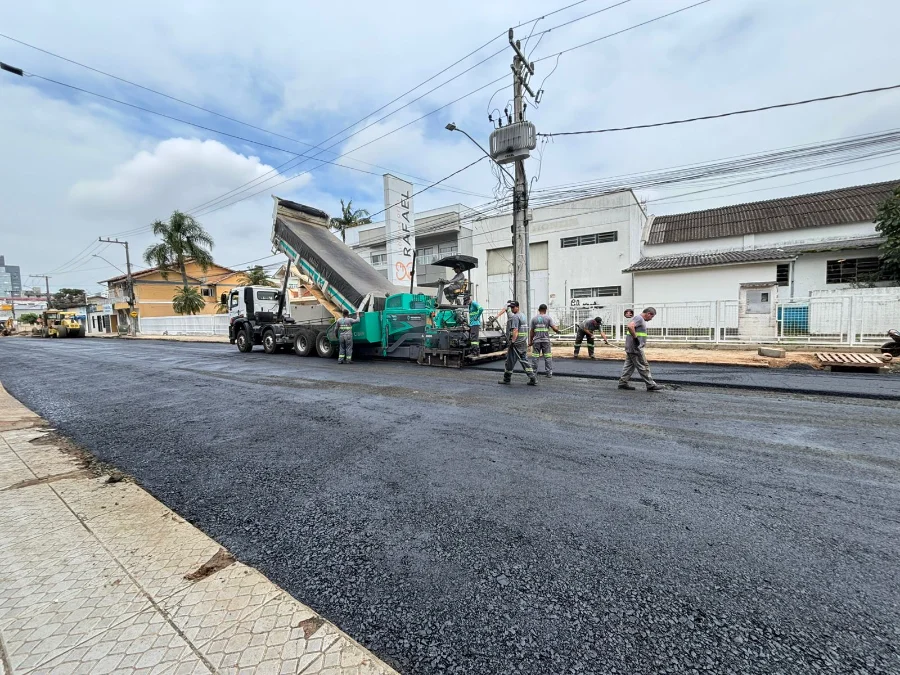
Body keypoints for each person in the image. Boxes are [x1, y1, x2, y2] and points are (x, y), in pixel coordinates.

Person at [618, 307, 664, 391]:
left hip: (631, 348)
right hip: (635, 348)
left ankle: (622, 383)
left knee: (629, 366)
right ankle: (650, 385)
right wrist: (636, 339)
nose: (651, 319)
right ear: (648, 313)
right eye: (652, 317)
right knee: (643, 365)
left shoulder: (639, 319)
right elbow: (630, 326)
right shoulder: (639, 318)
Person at [499, 300, 537, 386]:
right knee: (524, 360)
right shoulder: (523, 315)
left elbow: (515, 330)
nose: (512, 309)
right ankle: (532, 378)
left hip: (516, 343)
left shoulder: (515, 317)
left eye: (513, 307)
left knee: (509, 362)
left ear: (517, 307)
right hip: (523, 342)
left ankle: (506, 379)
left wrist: (512, 342)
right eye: (511, 307)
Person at [529, 304, 560, 377]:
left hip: (536, 341)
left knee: (535, 357)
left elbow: (531, 331)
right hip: (545, 341)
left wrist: (530, 341)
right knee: (548, 357)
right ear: (545, 310)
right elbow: (554, 328)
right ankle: (549, 373)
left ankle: (533, 373)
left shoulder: (534, 319)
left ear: (539, 310)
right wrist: (557, 330)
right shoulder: (548, 318)